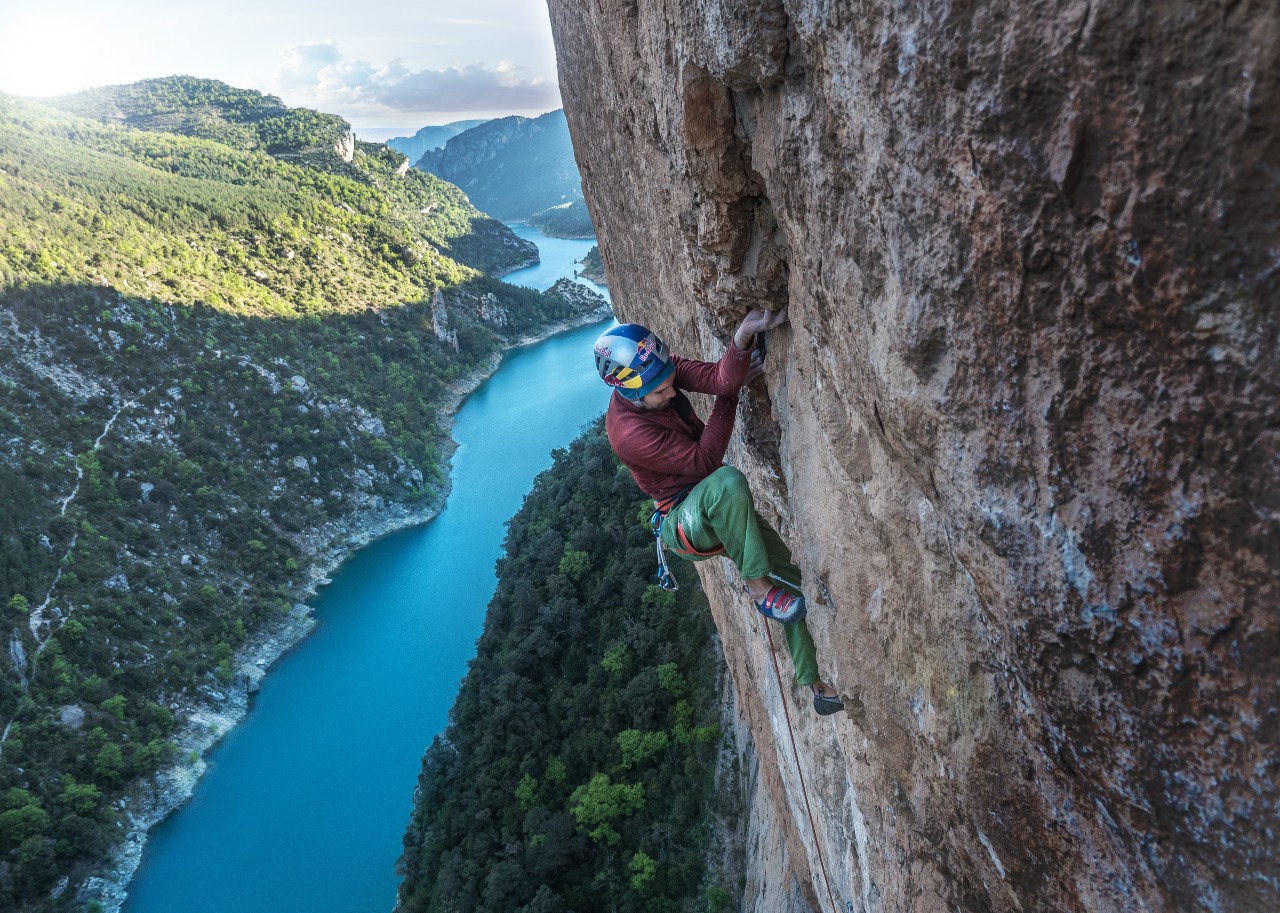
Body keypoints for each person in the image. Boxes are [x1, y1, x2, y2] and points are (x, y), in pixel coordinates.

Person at [594, 311, 844, 716]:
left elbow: (718, 379)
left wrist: (743, 337)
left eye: (670, 381)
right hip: (683, 520)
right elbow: (707, 461)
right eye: (660, 392)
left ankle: (816, 685)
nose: (672, 393)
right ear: (629, 391)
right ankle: (759, 589)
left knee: (796, 580)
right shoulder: (629, 435)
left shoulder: (656, 373)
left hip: (715, 506)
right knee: (728, 482)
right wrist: (731, 397)